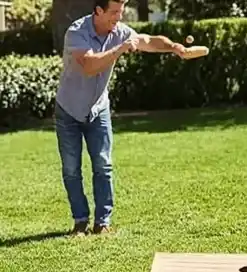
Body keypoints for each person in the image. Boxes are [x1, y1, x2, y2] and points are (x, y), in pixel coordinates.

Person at [54, 0, 189, 236]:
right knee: (71, 169)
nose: (119, 17)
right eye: (114, 12)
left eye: (121, 11)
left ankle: (103, 222)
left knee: (103, 165)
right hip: (69, 110)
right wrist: (120, 49)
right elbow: (88, 65)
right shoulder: (77, 31)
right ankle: (80, 222)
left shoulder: (121, 32)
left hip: (98, 109)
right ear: (98, 11)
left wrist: (173, 47)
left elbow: (147, 41)